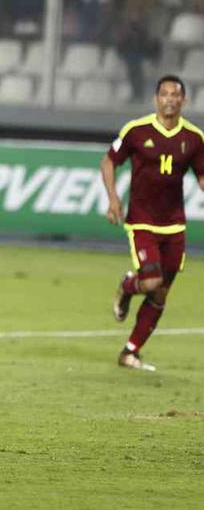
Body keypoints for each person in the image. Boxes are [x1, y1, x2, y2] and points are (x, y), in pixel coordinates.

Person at [102, 75, 204, 372]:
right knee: (150, 282)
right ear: (155, 99)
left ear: (184, 100)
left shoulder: (195, 138)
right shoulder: (136, 131)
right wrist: (113, 199)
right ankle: (126, 285)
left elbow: (201, 174)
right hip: (142, 220)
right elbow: (109, 161)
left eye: (176, 94)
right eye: (164, 93)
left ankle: (130, 351)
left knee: (160, 294)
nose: (170, 99)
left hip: (174, 225)